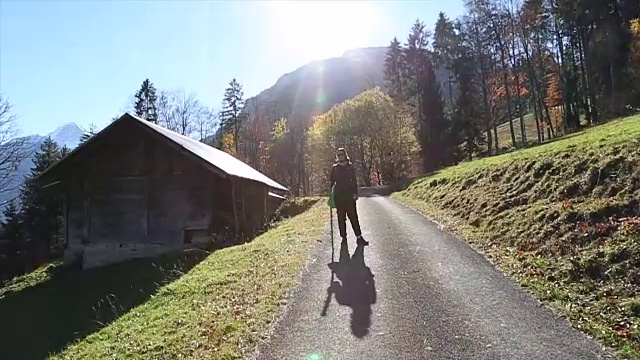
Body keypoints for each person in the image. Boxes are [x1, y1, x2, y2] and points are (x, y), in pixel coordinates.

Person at [330, 148, 368, 246]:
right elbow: (332, 182)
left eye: (342, 154)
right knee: (341, 219)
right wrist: (331, 195)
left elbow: (354, 181)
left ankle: (359, 237)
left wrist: (355, 193)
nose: (340, 156)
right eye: (338, 155)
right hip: (339, 197)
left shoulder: (350, 167)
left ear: (345, 155)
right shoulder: (334, 168)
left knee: (353, 217)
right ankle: (343, 238)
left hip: (350, 196)